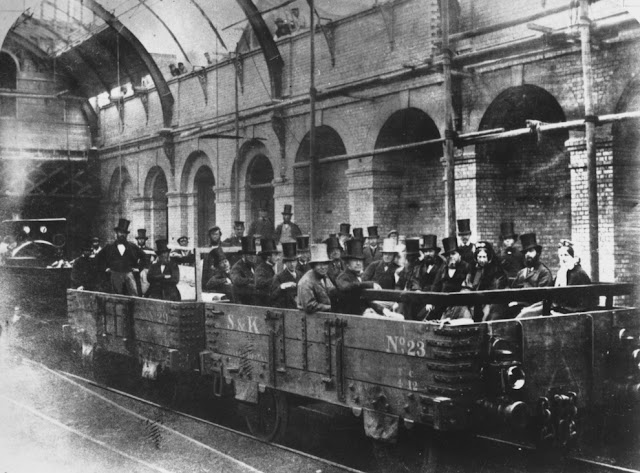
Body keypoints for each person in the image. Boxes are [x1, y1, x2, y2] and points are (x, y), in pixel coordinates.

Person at [423, 236, 470, 320]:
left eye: (453, 253)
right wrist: (430, 301)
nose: (451, 256)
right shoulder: (443, 268)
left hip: (460, 304)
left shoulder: (466, 267)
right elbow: (436, 286)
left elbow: (468, 287)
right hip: (442, 304)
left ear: (459, 254)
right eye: (448, 255)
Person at [97, 218, 145, 296]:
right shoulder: (109, 247)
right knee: (116, 298)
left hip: (129, 275)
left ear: (126, 235)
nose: (122, 235)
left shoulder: (133, 247)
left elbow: (144, 257)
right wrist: (105, 268)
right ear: (117, 233)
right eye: (120, 232)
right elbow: (98, 259)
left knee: (133, 297)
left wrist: (138, 268)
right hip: (114, 275)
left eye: (124, 233)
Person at [462, 241, 508, 321]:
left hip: (492, 302)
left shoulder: (497, 271)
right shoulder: (473, 270)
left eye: (484, 257)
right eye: (479, 257)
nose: (482, 260)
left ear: (489, 257)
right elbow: (467, 285)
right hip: (475, 301)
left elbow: (495, 291)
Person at [511, 233, 553, 318]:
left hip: (537, 308)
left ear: (537, 253)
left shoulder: (544, 273)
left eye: (531, 251)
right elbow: (513, 290)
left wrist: (520, 303)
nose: (528, 254)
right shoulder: (522, 272)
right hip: (521, 306)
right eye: (525, 252)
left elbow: (542, 298)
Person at [335, 239, 381, 315]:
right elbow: (346, 287)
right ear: (347, 264)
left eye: (360, 260)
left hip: (361, 313)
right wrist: (369, 284)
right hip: (349, 317)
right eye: (354, 260)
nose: (358, 263)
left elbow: (365, 300)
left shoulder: (356, 276)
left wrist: (383, 310)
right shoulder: (342, 277)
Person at [552, 239, 595, 313]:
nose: (563, 258)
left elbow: (569, 297)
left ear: (574, 257)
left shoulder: (578, 273)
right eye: (561, 255)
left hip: (576, 310)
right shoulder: (563, 272)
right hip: (566, 308)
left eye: (566, 255)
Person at [297, 243, 336, 313]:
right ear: (313, 266)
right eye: (319, 264)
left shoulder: (325, 277)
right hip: (310, 319)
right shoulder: (306, 282)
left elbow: (332, 292)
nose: (323, 267)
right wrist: (331, 307)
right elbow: (309, 306)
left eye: (325, 264)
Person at [394, 238, 423, 320]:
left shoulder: (422, 267)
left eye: (413, 256)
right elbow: (399, 284)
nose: (411, 258)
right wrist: (398, 297)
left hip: (420, 298)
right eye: (409, 256)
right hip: (407, 298)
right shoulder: (406, 268)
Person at [271, 242, 301, 309]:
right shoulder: (278, 277)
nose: (292, 264)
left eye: (294, 261)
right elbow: (273, 296)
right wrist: (281, 287)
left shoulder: (300, 274)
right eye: (289, 262)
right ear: (285, 262)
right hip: (286, 310)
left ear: (297, 261)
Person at [230, 236, 257, 305]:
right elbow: (236, 280)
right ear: (243, 256)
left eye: (254, 254)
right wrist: (251, 280)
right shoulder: (237, 267)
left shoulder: (255, 265)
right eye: (250, 255)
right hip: (244, 303)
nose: (253, 257)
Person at [254, 238, 280, 306]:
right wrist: (277, 279)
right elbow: (259, 283)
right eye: (275, 255)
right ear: (268, 257)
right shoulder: (260, 269)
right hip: (263, 304)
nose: (278, 258)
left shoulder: (271, 267)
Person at [201, 226, 225, 290]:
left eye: (216, 234)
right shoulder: (205, 248)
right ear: (209, 236)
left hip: (221, 280)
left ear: (220, 235)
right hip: (208, 280)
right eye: (213, 234)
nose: (214, 236)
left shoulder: (225, 247)